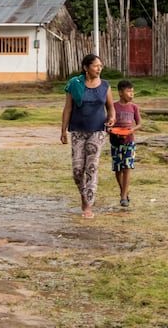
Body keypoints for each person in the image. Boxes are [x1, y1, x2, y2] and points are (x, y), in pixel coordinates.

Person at [59, 53, 115, 218]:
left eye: (100, 66)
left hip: (97, 130)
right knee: (77, 170)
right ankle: (83, 194)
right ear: (86, 67)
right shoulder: (74, 84)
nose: (99, 69)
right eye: (95, 66)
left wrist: (112, 118)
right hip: (77, 131)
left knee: (92, 166)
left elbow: (110, 108)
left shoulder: (105, 85)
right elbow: (68, 108)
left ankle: (89, 205)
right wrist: (63, 130)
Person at [109, 80, 143, 207]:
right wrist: (110, 129)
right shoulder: (113, 106)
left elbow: (139, 124)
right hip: (116, 142)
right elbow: (108, 121)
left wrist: (132, 130)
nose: (131, 94)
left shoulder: (134, 107)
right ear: (120, 93)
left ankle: (123, 197)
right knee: (118, 170)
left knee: (127, 168)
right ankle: (123, 191)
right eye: (128, 91)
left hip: (129, 142)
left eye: (132, 92)